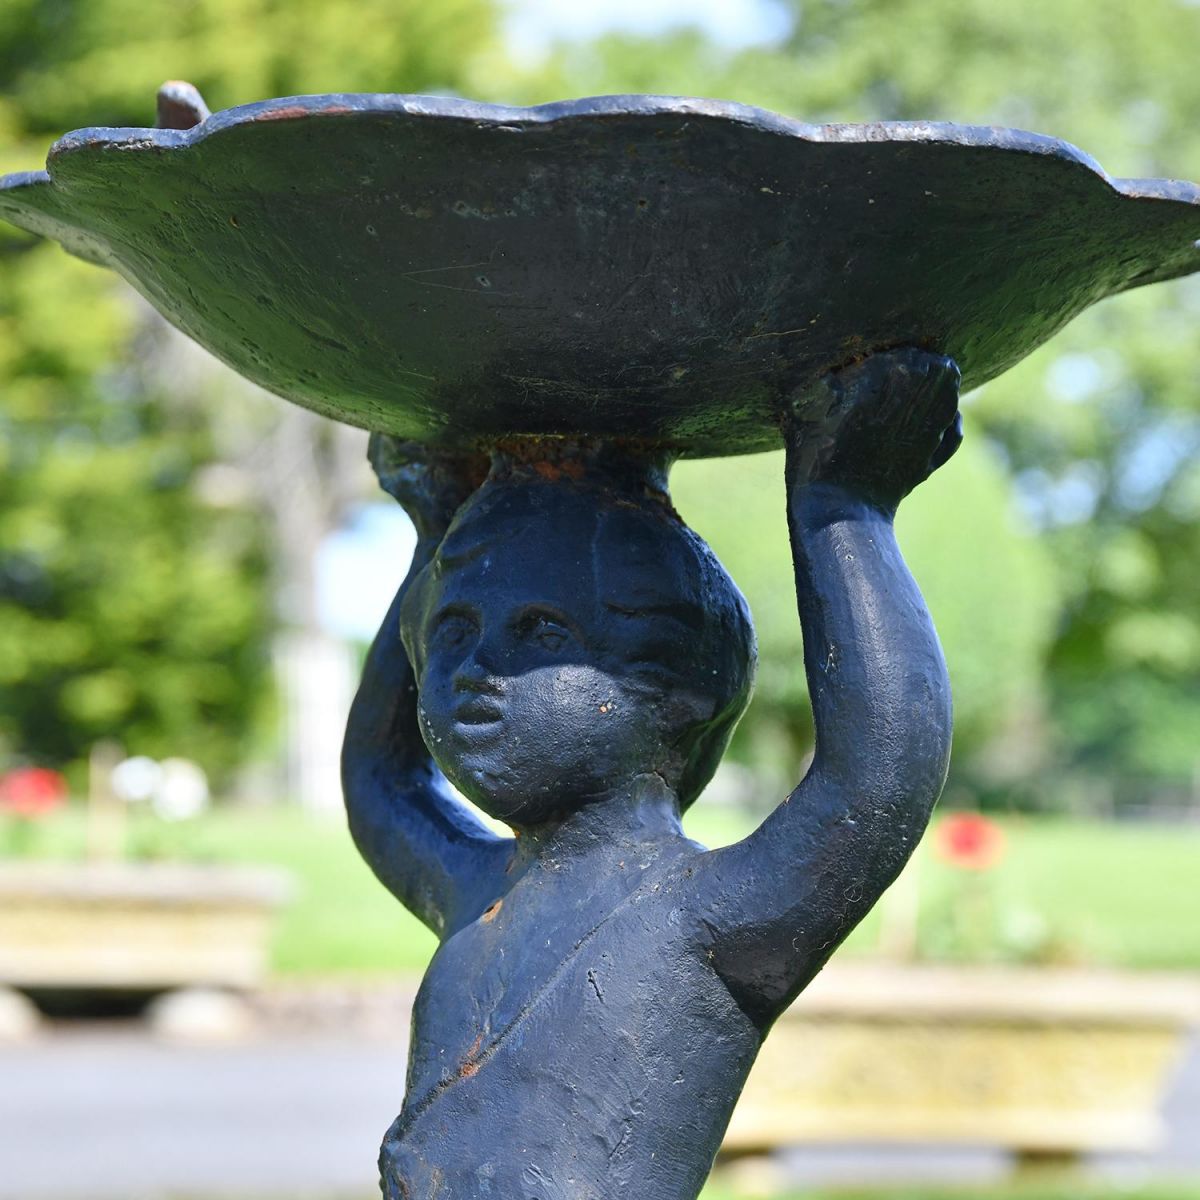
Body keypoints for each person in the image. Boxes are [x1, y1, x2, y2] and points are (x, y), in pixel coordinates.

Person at [342, 347, 962, 1200]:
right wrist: (432, 537)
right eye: (449, 631)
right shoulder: (474, 887)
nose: (476, 665)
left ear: (678, 691)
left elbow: (876, 777)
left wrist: (845, 511)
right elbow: (379, 778)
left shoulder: (704, 923)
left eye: (542, 632)